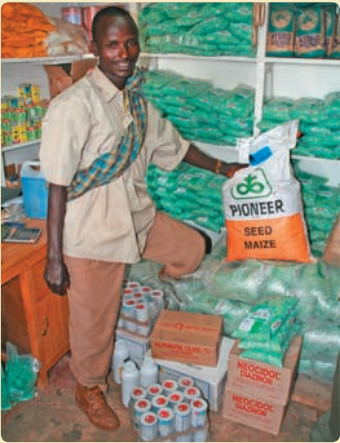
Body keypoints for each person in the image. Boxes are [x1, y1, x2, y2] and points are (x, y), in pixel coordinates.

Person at [40, 6, 246, 432]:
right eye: (113, 44)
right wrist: (54, 256)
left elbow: (177, 146)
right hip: (93, 234)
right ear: (94, 49)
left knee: (191, 249)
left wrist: (223, 169)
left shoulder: (137, 103)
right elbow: (57, 186)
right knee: (93, 326)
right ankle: (89, 387)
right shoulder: (73, 107)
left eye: (130, 43)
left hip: (136, 216)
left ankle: (147, 311)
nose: (124, 52)